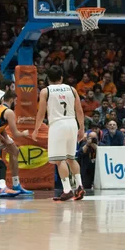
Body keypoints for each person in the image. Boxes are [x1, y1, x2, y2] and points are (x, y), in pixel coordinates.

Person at [32, 66, 86, 202]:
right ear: (61, 77)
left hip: (58, 125)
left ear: (48, 79)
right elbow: (79, 110)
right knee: (71, 158)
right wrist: (82, 128)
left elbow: (41, 112)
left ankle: (67, 190)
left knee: (60, 159)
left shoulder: (45, 91)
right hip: (72, 124)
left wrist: (36, 128)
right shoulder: (72, 89)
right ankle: (80, 186)